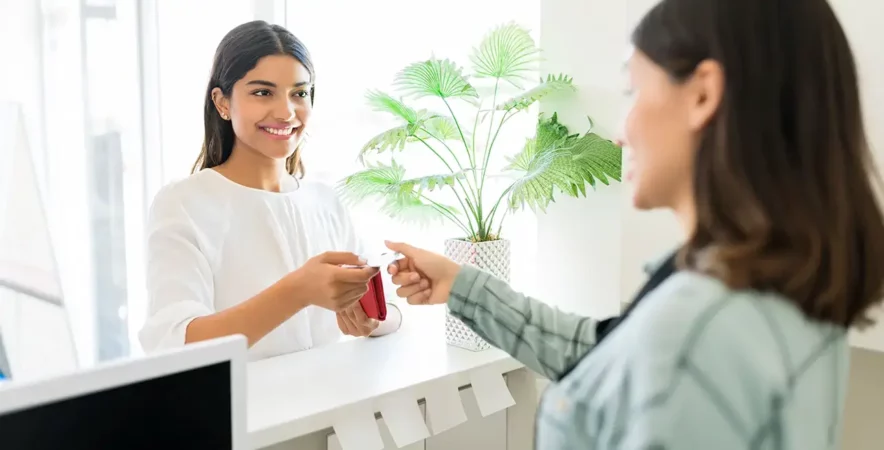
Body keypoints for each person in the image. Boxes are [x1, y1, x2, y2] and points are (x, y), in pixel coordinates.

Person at [387, 0, 884, 448]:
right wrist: (461, 285)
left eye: (633, 90)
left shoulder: (695, 331)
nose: (620, 133)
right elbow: (606, 354)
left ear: (703, 95)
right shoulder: (780, 279)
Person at [139, 20, 401, 360]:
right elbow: (176, 345)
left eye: (299, 93)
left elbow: (388, 311)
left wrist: (371, 318)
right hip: (244, 412)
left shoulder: (324, 202)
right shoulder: (184, 204)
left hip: (334, 406)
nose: (285, 112)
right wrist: (298, 291)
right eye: (263, 92)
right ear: (222, 102)